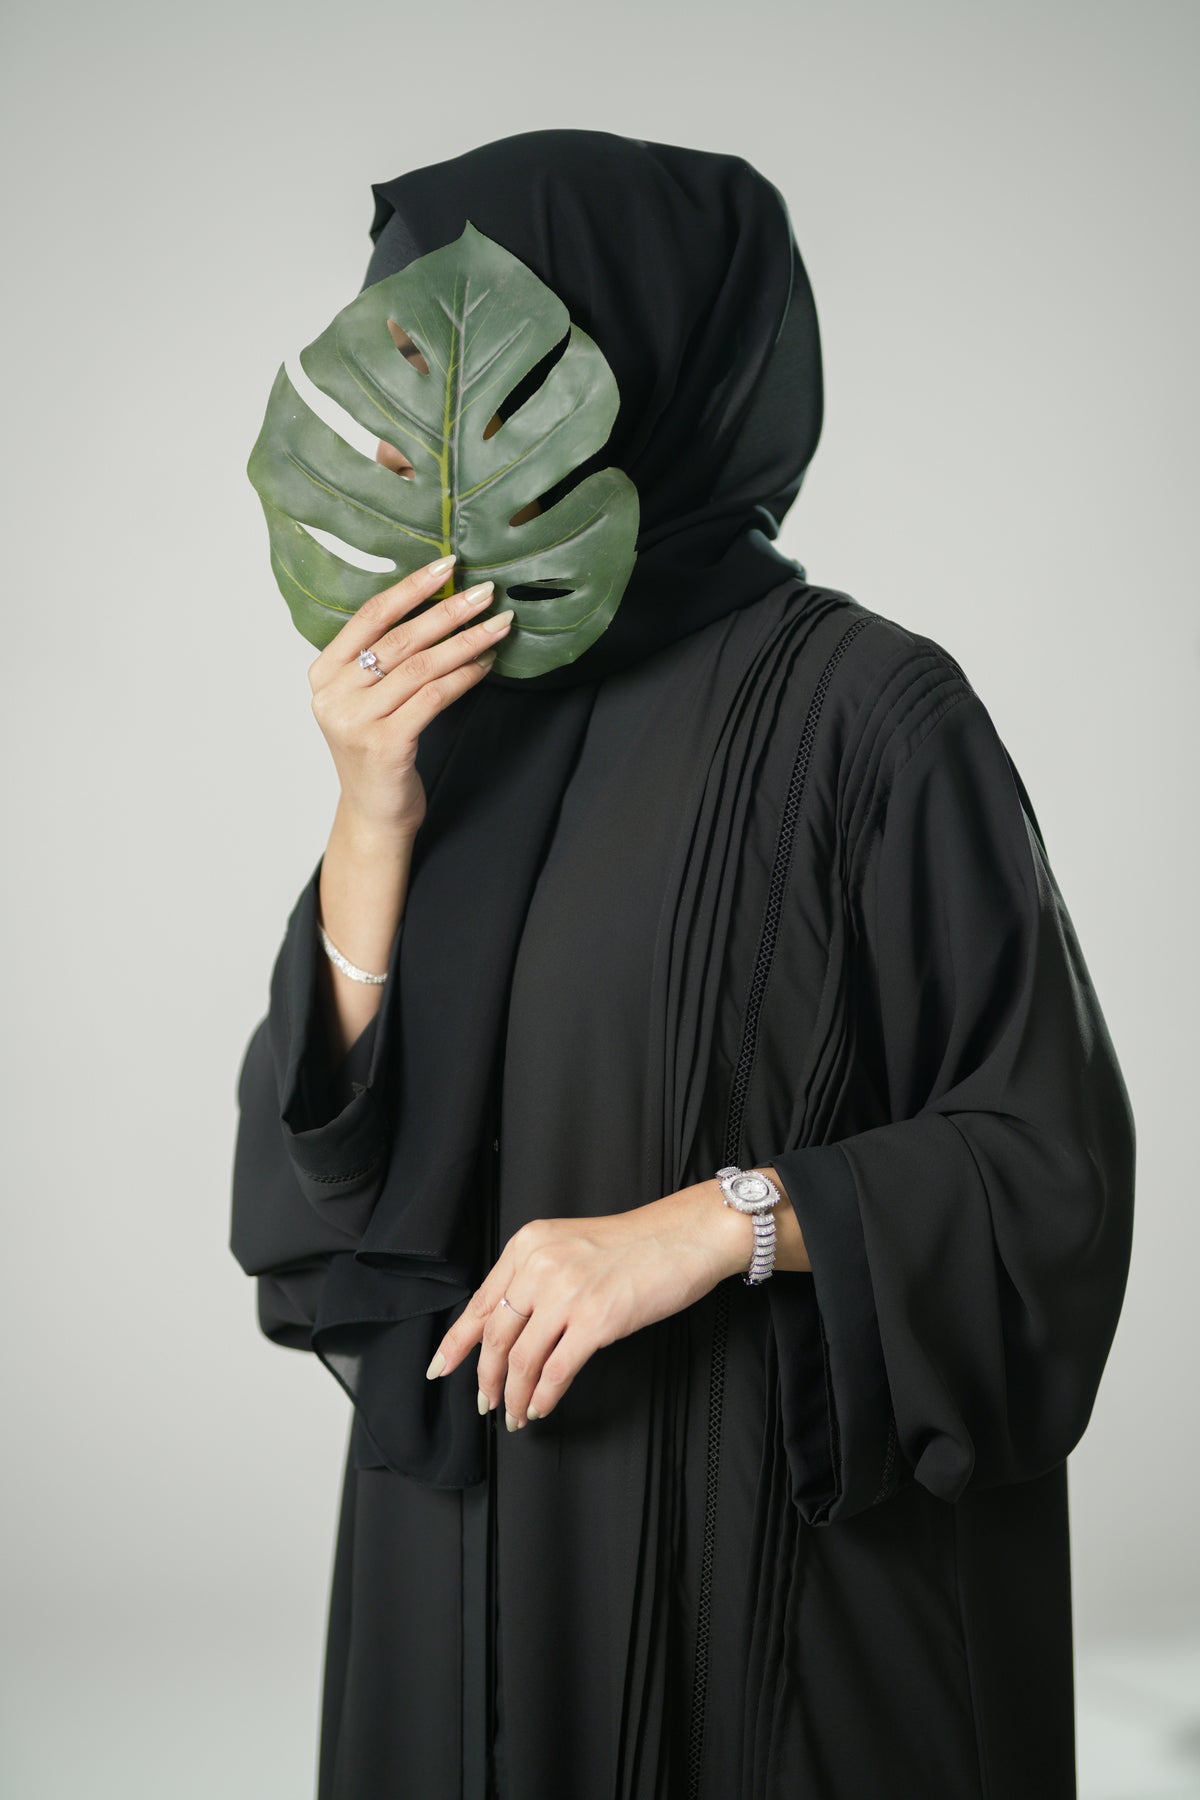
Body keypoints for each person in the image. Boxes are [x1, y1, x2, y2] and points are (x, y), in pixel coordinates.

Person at [229, 129, 1135, 1800]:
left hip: (758, 1587)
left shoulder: (873, 714)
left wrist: (708, 1228)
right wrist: (370, 813)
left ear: (630, 358)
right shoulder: (450, 729)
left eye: (486, 369)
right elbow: (324, 1199)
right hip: (466, 1592)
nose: (418, 433)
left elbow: (1045, 1176)